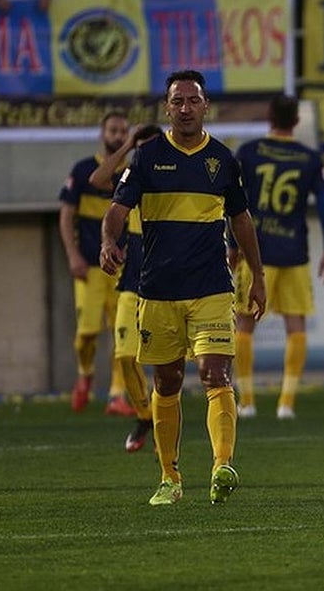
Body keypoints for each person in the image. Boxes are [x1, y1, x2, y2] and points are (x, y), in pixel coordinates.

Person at [99, 70, 266, 506]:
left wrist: (259, 275)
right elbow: (117, 208)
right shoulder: (148, 157)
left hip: (211, 287)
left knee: (215, 373)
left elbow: (241, 220)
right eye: (178, 101)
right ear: (167, 107)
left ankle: (221, 465)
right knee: (168, 381)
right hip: (156, 290)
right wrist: (108, 241)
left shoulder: (224, 160)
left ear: (205, 105)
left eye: (194, 100)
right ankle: (169, 478)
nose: (186, 108)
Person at [232, 95, 324, 420]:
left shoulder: (248, 153)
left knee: (245, 323)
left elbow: (232, 203)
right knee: (296, 325)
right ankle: (286, 403)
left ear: (269, 116)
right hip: (294, 252)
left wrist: (232, 245)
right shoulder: (309, 158)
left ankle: (247, 401)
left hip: (255, 252)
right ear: (295, 121)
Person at [89, 123, 163, 452]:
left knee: (168, 363)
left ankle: (165, 420)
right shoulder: (130, 180)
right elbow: (97, 180)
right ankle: (146, 417)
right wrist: (126, 145)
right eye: (139, 148)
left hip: (169, 286)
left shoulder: (174, 179)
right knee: (125, 355)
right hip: (133, 282)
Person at [58, 111, 136, 416]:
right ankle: (85, 373)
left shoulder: (132, 173)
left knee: (122, 333)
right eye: (113, 130)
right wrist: (72, 254)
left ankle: (117, 396)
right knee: (87, 334)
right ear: (102, 134)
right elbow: (66, 215)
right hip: (89, 266)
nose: (118, 135)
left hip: (122, 270)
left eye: (123, 131)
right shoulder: (84, 170)